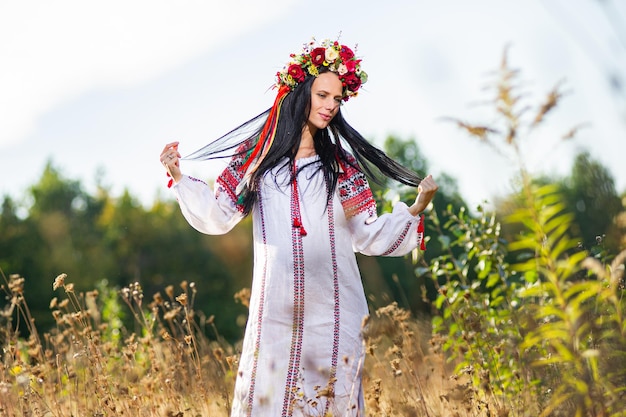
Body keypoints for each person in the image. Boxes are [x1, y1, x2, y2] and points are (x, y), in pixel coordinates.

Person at [159, 38, 438, 417]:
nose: (329, 106)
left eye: (337, 99)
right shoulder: (256, 158)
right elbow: (219, 214)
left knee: (329, 402)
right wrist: (178, 174)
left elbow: (367, 234)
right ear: (300, 91)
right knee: (268, 400)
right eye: (322, 95)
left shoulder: (341, 166)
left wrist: (417, 206)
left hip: (334, 308)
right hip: (276, 308)